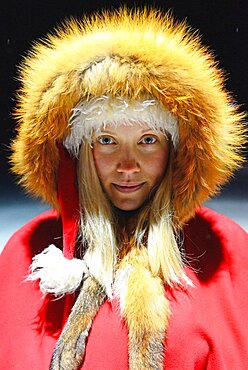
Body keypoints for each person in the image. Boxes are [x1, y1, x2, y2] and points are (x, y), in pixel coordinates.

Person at [0, 8, 248, 370]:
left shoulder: (226, 252)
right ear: (80, 152)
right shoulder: (27, 252)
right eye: (107, 140)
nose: (127, 164)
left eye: (147, 140)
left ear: (176, 151)